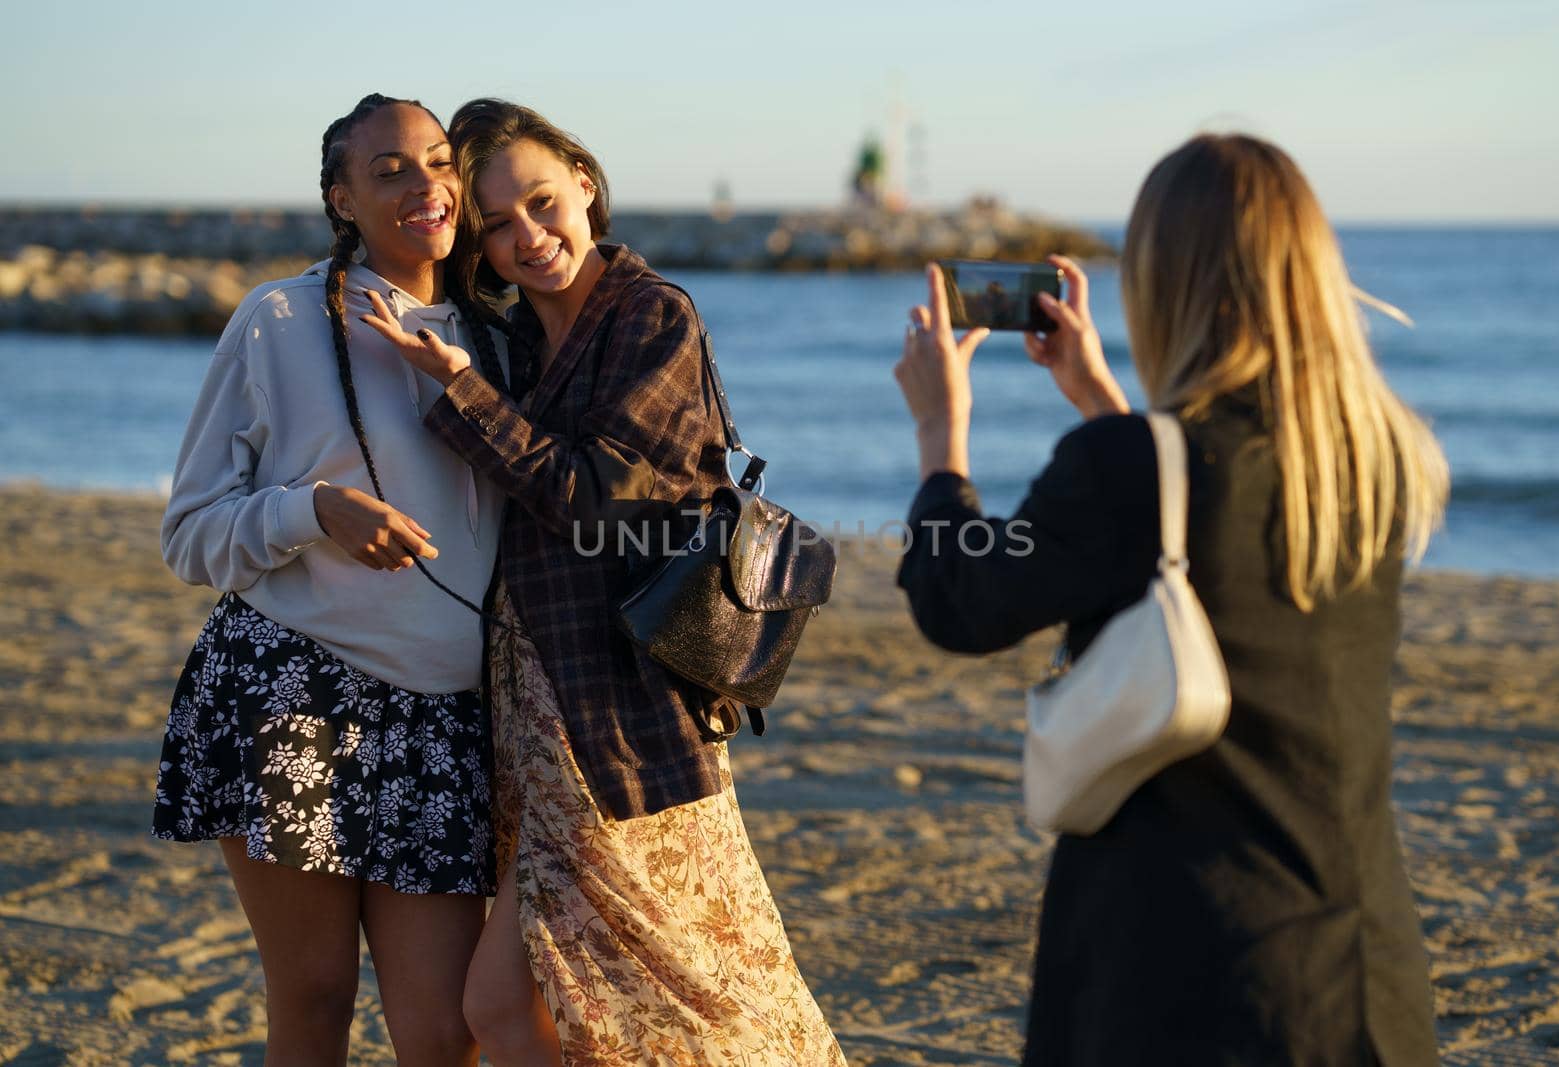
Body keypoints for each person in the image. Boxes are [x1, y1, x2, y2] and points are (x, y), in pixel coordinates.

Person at [893, 133, 1448, 1065]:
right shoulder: (1377, 456)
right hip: (1357, 962)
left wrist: (941, 436)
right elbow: (1210, 545)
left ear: (1165, 279)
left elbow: (961, 600)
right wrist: (1102, 399)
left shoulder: (1131, 470)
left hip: (1182, 965)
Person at [361, 98, 846, 1066]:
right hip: (536, 720)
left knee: (703, 994)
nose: (526, 236)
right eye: (494, 222)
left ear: (586, 184)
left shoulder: (650, 314)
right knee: (508, 1007)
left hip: (618, 720)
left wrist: (461, 393)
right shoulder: (520, 343)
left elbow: (600, 500)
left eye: (542, 202)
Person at [154, 93, 506, 1066]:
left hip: (445, 717)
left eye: (439, 162)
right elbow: (187, 534)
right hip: (294, 690)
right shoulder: (277, 320)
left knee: (443, 1031)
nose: (424, 185)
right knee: (312, 1000)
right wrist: (314, 510)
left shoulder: (505, 332)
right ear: (340, 198)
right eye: (388, 169)